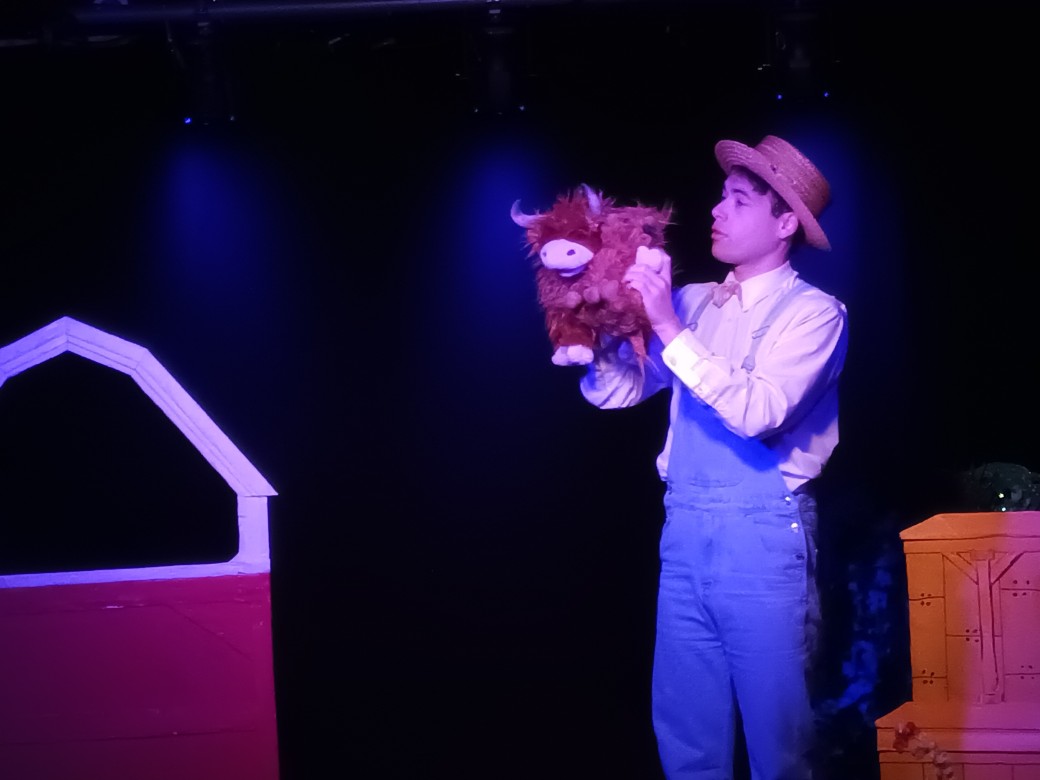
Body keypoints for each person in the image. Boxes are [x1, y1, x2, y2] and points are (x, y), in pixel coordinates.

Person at [580, 135, 848, 779]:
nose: (716, 210)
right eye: (721, 196)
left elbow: (758, 412)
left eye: (738, 200)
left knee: (780, 744)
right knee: (687, 734)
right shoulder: (694, 299)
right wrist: (596, 322)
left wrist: (666, 326)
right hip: (685, 532)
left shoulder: (817, 314)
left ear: (784, 224)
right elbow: (616, 391)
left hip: (762, 541)